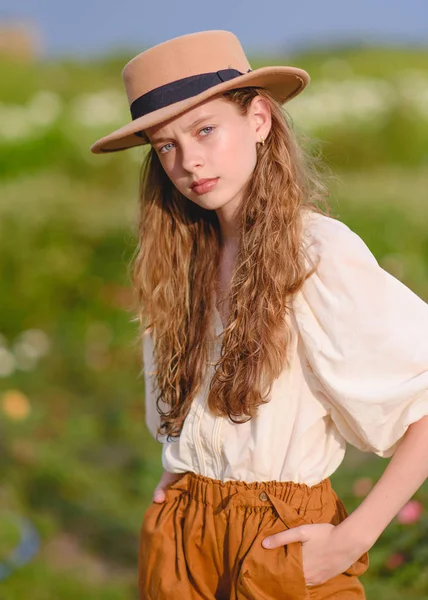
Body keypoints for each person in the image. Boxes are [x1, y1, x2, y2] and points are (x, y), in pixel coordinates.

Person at [90, 30, 428, 600]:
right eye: (165, 145)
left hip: (279, 541)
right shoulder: (180, 257)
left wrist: (353, 538)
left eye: (204, 130)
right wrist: (190, 463)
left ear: (259, 120)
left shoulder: (316, 252)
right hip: (183, 531)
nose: (188, 160)